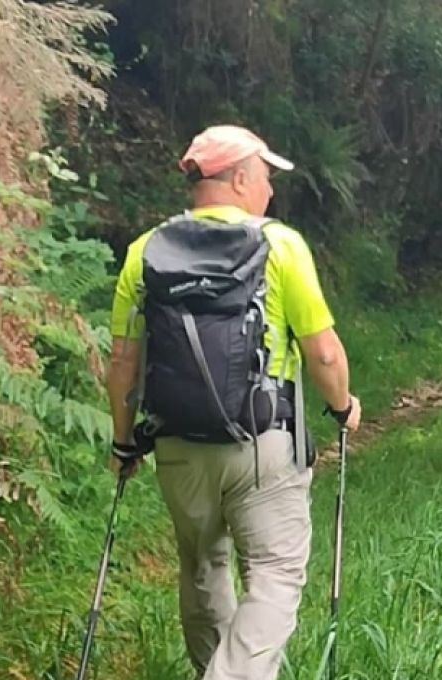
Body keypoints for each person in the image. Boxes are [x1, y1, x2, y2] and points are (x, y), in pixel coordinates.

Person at [104, 124, 362, 680]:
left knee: (202, 565)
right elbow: (322, 353)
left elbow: (123, 361)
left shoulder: (144, 253)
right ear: (240, 178)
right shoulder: (281, 245)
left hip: (176, 445)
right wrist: (342, 407)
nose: (270, 189)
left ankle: (213, 670)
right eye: (266, 177)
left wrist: (124, 441)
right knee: (275, 571)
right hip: (262, 443)